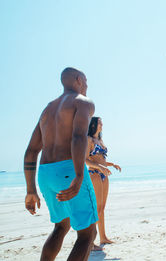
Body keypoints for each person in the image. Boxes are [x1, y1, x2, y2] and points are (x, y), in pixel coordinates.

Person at [23, 67, 97, 261]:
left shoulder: (47, 109)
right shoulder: (83, 103)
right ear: (79, 79)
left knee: (61, 226)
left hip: (45, 173)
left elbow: (31, 151)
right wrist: (79, 175)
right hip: (68, 169)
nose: (87, 85)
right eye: (86, 81)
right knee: (88, 234)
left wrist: (30, 190)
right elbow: (78, 136)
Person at [86, 117, 121, 248]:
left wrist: (112, 165)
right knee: (96, 209)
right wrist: (100, 167)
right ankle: (89, 241)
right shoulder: (88, 140)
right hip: (94, 174)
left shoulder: (100, 140)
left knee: (102, 209)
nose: (102, 124)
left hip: (104, 175)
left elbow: (101, 160)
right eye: (99, 122)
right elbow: (86, 160)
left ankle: (103, 238)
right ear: (93, 125)